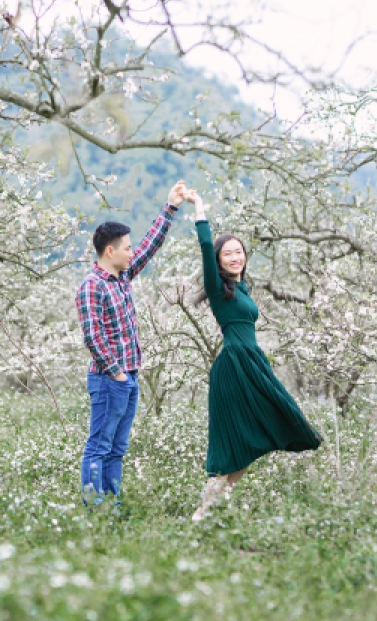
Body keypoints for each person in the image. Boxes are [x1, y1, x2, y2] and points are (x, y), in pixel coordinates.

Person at [187, 189, 322, 521]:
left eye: (239, 252)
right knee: (233, 443)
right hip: (233, 366)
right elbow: (206, 246)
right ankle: (204, 512)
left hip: (251, 363)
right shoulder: (218, 288)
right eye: (227, 254)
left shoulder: (241, 288)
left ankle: (213, 508)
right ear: (218, 260)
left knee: (252, 440)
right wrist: (199, 208)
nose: (234, 257)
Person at [75, 180, 190, 506]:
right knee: (99, 444)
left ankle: (113, 504)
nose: (131, 251)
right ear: (109, 251)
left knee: (117, 448)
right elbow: (92, 337)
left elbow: (151, 245)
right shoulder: (91, 286)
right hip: (109, 379)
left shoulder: (122, 276)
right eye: (126, 247)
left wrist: (170, 208)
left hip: (129, 375)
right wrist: (117, 374)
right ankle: (94, 508)